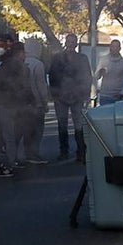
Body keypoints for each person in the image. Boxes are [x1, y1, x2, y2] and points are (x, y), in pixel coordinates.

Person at [0, 31, 30, 177]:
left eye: (0, 45)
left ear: (6, 46)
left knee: (8, 135)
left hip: (7, 104)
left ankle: (10, 164)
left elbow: (17, 83)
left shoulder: (12, 63)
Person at [48, 32, 92, 162]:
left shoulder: (82, 58)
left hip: (77, 96)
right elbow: (52, 76)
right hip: (60, 96)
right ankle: (64, 151)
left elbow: (87, 76)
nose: (71, 44)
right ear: (65, 43)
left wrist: (86, 94)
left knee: (79, 125)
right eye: (69, 42)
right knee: (62, 125)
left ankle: (81, 152)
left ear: (76, 44)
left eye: (73, 42)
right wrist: (54, 94)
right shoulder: (57, 58)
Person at [18, 37, 50, 165]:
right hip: (36, 103)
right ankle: (34, 154)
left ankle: (26, 152)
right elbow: (41, 86)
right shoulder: (38, 64)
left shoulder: (21, 61)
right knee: (37, 130)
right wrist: (44, 102)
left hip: (23, 102)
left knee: (26, 129)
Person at [95, 39, 123, 105]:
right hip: (104, 96)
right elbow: (96, 77)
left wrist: (122, 93)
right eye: (113, 46)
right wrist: (100, 72)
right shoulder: (103, 59)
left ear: (120, 48)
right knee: (105, 115)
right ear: (110, 47)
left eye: (116, 47)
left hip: (118, 97)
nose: (114, 49)